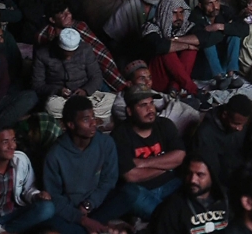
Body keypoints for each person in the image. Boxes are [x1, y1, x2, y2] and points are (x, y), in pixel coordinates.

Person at [43, 96, 129, 234]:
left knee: (130, 193)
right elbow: (55, 197)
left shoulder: (106, 143)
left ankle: (92, 228)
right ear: (71, 125)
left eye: (93, 117)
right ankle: (95, 228)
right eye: (85, 120)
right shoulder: (55, 155)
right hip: (71, 211)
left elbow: (109, 181)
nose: (93, 123)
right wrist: (81, 218)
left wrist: (89, 204)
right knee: (48, 216)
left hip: (98, 205)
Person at [113, 85, 185, 219]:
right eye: (143, 105)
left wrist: (142, 163)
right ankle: (170, 218)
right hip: (143, 191)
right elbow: (131, 176)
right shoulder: (120, 135)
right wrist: (167, 167)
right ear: (129, 111)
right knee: (128, 193)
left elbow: (180, 156)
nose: (150, 109)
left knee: (193, 181)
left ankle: (166, 217)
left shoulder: (164, 125)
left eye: (152, 103)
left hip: (170, 185)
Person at [149, 155, 229, 234]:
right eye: (189, 173)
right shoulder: (172, 208)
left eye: (200, 175)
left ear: (212, 176)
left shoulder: (229, 200)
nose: (192, 180)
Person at [189, 93, 252, 187]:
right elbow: (212, 172)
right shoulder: (205, 134)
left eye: (243, 124)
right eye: (236, 124)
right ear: (225, 115)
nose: (240, 128)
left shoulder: (237, 124)